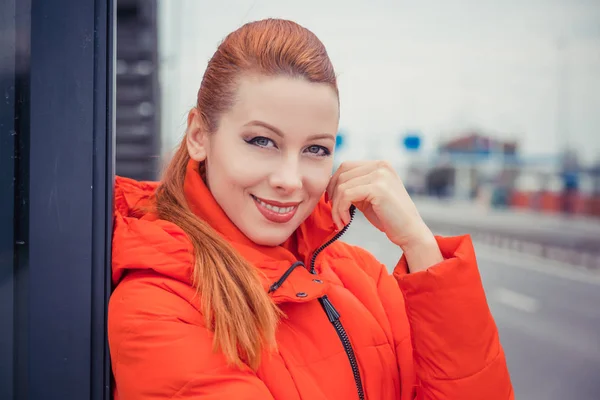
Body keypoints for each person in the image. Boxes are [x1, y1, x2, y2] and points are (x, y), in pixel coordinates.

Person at [108, 18, 513, 400]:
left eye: (315, 149)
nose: (290, 179)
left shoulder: (364, 279)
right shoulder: (157, 306)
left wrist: (421, 246)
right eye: (262, 141)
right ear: (199, 136)